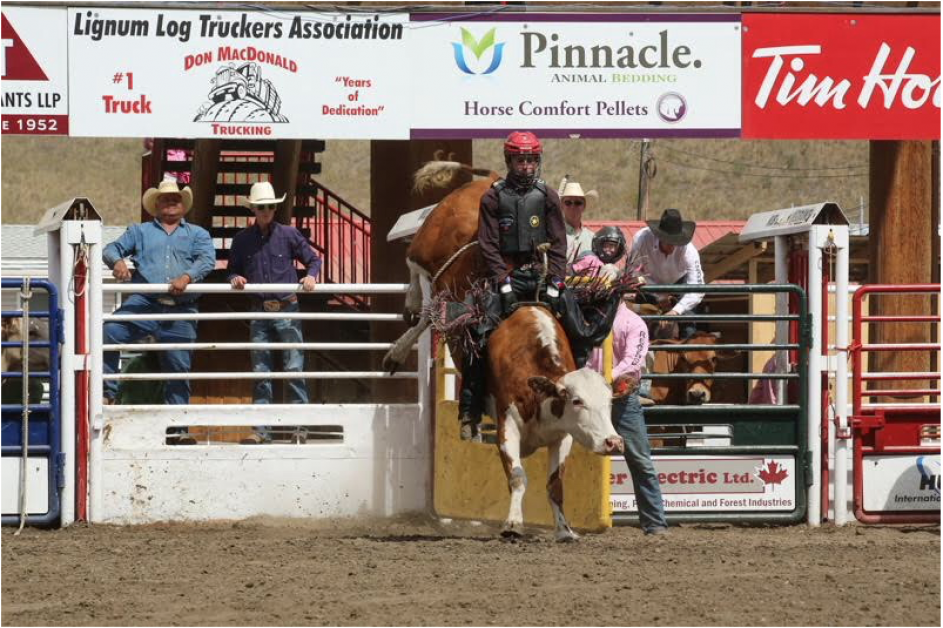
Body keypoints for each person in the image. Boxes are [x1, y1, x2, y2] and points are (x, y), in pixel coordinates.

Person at [460, 130, 567, 441]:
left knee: (578, 325)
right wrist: (503, 283)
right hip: (504, 277)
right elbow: (488, 245)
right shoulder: (493, 197)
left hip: (542, 274)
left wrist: (556, 282)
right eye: (520, 160)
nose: (526, 166)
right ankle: (470, 410)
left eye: (531, 160)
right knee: (477, 335)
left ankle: (584, 398)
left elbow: (559, 243)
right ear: (509, 160)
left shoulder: (548, 196)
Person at [102, 177, 216, 440]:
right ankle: (108, 394)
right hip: (145, 301)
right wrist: (117, 261)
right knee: (110, 331)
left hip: (181, 307)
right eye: (166, 198)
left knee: (178, 369)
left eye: (176, 198)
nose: (172, 202)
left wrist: (187, 277)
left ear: (183, 205)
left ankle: (177, 431)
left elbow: (207, 259)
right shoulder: (139, 231)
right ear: (157, 204)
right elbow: (111, 249)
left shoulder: (197, 234)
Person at [228, 181, 322, 443]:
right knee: (261, 371)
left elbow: (313, 259)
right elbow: (233, 269)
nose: (266, 210)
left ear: (275, 208)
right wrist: (235, 278)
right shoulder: (242, 240)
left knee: (293, 368)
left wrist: (311, 276)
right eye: (261, 207)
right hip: (260, 309)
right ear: (254, 210)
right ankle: (262, 430)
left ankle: (299, 428)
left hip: (287, 306)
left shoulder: (289, 234)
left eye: (269, 206)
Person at [585, 259, 668, 536]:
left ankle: (654, 522)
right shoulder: (594, 320)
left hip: (616, 397)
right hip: (601, 397)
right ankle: (653, 522)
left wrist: (597, 379)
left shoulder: (632, 323)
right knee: (638, 459)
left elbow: (633, 361)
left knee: (640, 459)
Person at [630, 208, 705, 340]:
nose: (673, 246)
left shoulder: (689, 251)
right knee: (639, 324)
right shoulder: (641, 240)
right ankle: (642, 355)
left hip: (680, 281)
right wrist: (658, 295)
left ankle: (686, 354)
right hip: (649, 283)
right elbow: (632, 271)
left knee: (688, 322)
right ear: (659, 236)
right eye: (669, 240)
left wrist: (676, 311)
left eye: (676, 241)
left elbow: (697, 288)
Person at [559, 179, 596, 265]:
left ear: (584, 206)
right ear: (561, 206)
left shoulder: (593, 238)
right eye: (568, 203)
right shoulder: (554, 235)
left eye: (578, 203)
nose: (573, 206)